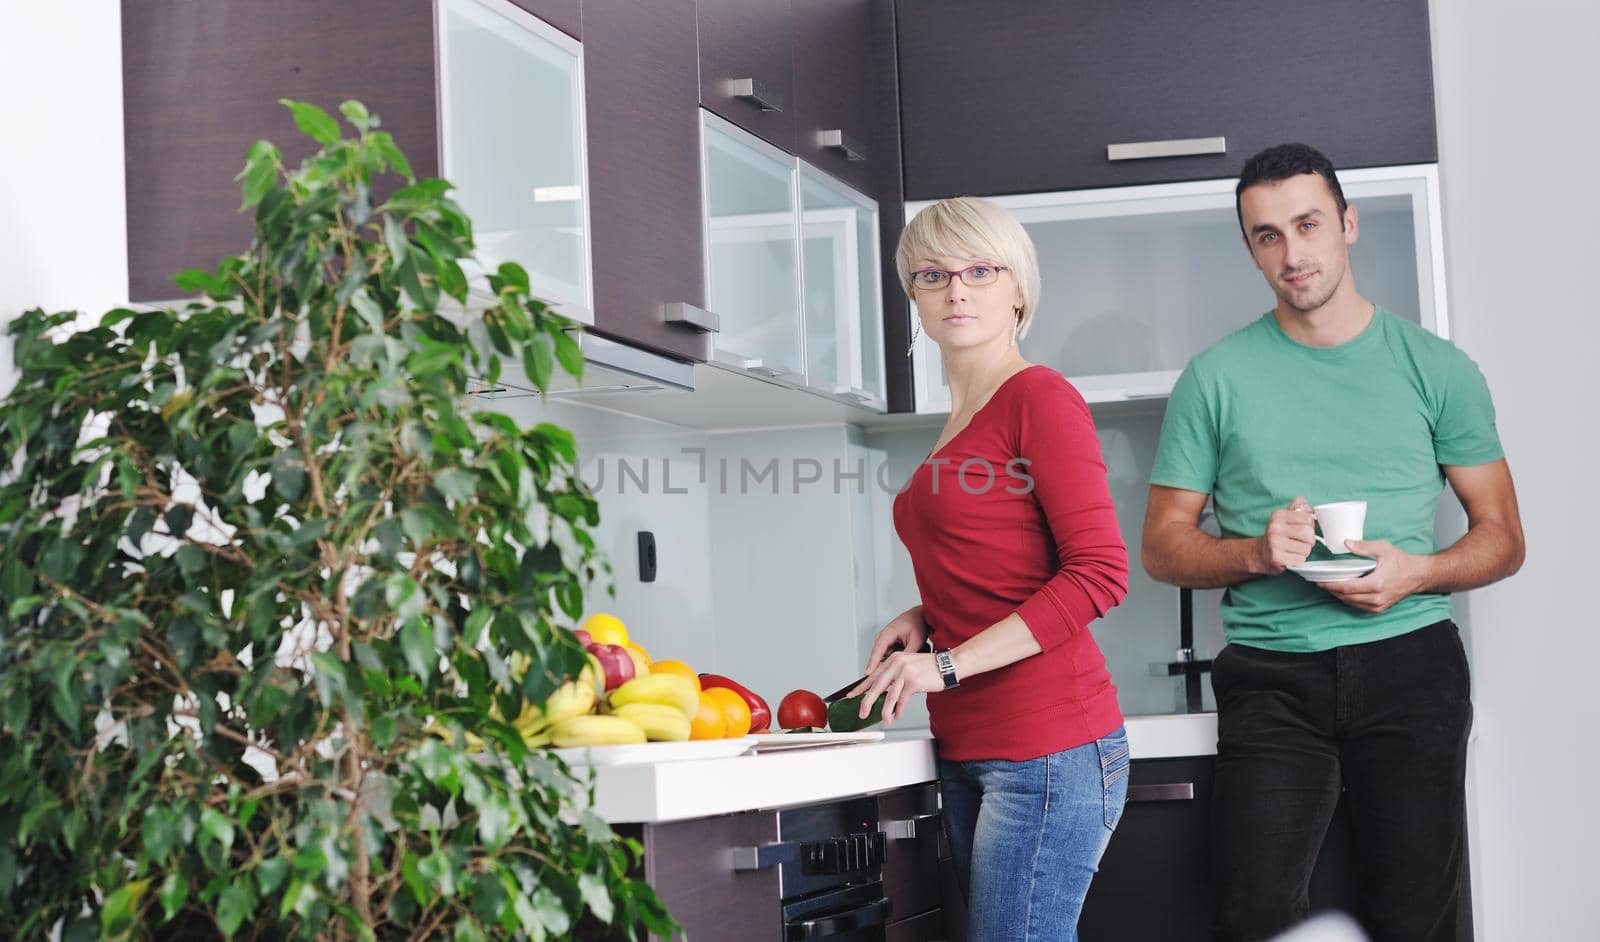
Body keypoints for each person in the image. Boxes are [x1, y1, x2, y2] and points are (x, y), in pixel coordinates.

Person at [1141, 143, 1526, 942]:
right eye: (1267, 235)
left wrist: (1417, 572)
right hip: (1271, 681)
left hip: (1410, 664)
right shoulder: (1215, 379)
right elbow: (1163, 548)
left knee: (1415, 918)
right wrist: (1253, 551)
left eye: (1308, 224)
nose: (1292, 252)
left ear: (1348, 224)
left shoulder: (1437, 369)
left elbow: (1503, 538)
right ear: (1250, 250)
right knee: (1254, 919)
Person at [850, 196, 1130, 940]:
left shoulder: (1040, 397)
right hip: (973, 745)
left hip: (1048, 748)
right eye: (933, 274)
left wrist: (946, 666)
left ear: (1018, 290)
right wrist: (925, 618)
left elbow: (1100, 572)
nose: (956, 290)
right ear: (914, 294)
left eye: (980, 269)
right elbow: (998, 560)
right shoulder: (960, 419)